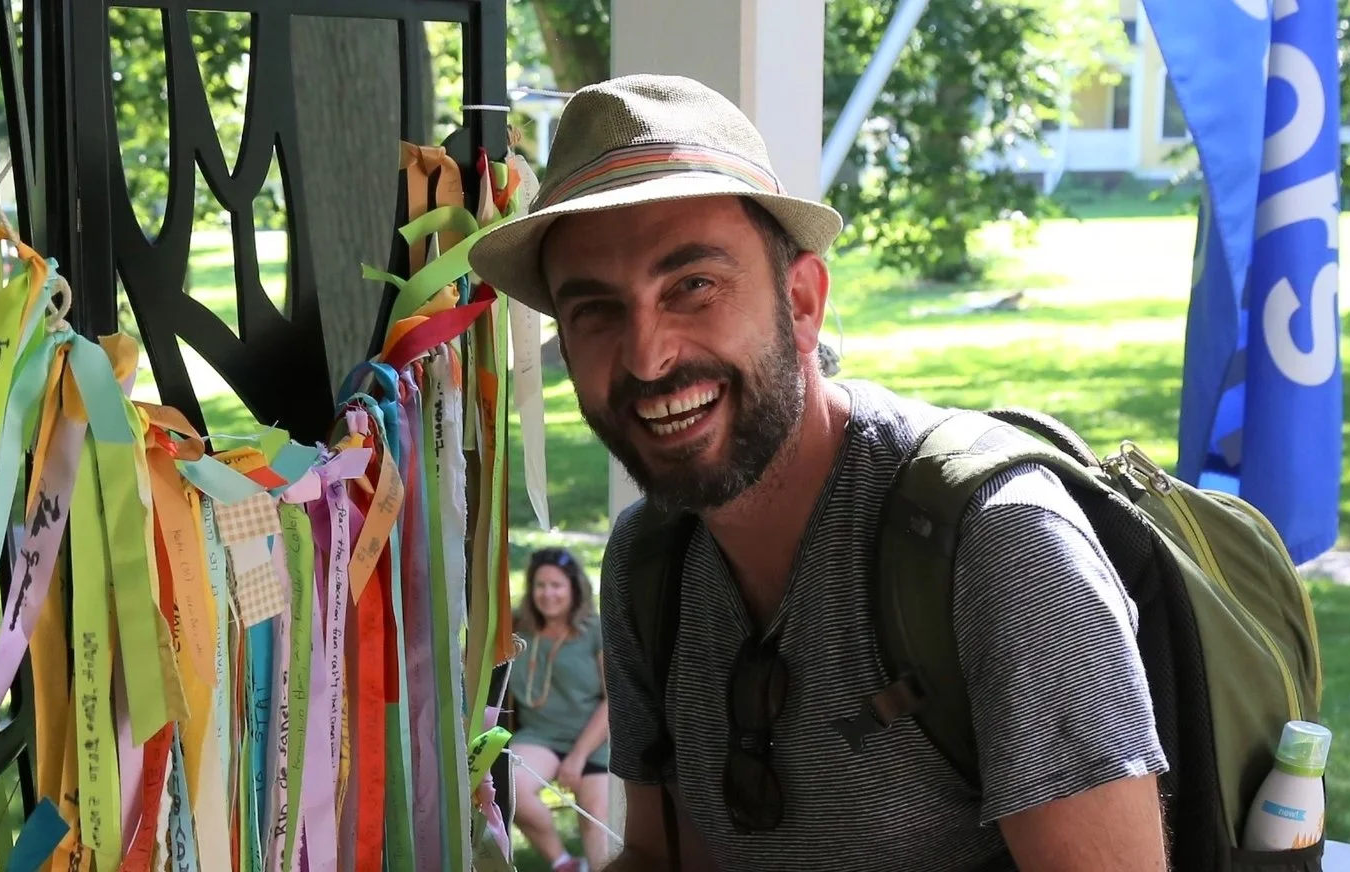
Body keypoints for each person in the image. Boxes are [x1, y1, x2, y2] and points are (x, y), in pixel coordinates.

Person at [470, 75, 1170, 870]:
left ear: (801, 301)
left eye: (693, 286)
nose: (646, 354)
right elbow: (672, 861)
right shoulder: (651, 563)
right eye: (593, 311)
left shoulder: (996, 542)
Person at [509, 548, 613, 872]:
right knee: (508, 787)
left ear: (573, 588)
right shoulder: (516, 628)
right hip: (540, 736)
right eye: (540, 585)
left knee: (596, 822)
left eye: (556, 585)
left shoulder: (595, 629)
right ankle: (564, 863)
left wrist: (578, 756)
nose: (548, 594)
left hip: (592, 740)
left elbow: (614, 700)